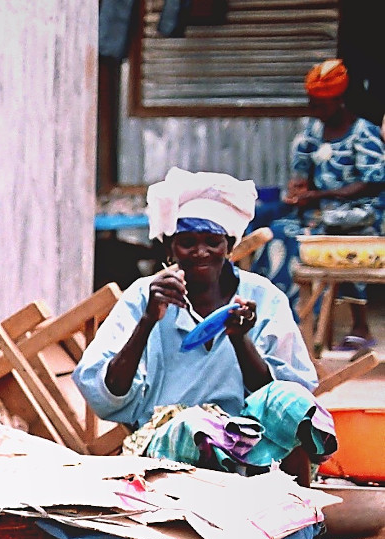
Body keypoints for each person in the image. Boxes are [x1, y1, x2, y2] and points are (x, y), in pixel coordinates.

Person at [74, 168, 331, 486]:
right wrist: (147, 321)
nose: (200, 252)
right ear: (169, 248)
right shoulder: (144, 294)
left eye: (213, 242)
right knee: (196, 425)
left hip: (250, 437)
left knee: (293, 400)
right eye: (187, 243)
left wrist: (240, 340)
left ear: (229, 246)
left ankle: (297, 513)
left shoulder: (262, 296)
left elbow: (282, 392)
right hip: (170, 436)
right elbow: (104, 391)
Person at [255, 59, 385, 348]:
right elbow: (304, 176)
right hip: (318, 214)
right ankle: (286, 320)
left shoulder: (364, 133)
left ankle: (360, 326)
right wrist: (300, 190)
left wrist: (321, 196)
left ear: (339, 101)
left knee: (348, 240)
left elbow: (373, 181)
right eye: (313, 103)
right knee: (277, 233)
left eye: (322, 104)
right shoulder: (310, 134)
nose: (316, 111)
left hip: (359, 214)